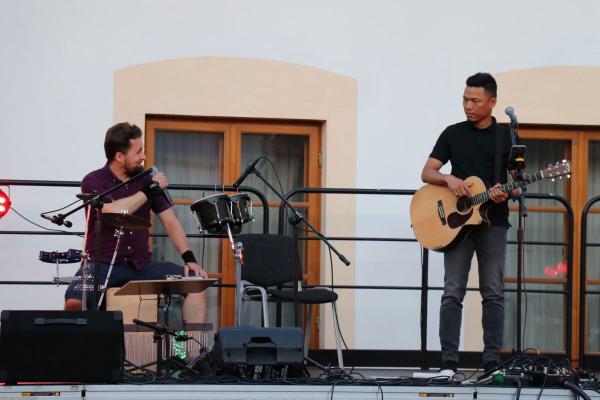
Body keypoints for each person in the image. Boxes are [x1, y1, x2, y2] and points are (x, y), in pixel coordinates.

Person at [420, 72, 520, 375]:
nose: (468, 105)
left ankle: (491, 363)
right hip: (456, 224)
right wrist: (448, 179)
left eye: (475, 101)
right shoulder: (452, 133)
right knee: (452, 292)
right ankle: (448, 364)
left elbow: (516, 185)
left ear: (492, 102)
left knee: (493, 292)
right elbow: (427, 172)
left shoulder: (507, 136)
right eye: (465, 99)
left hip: (494, 222)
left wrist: (507, 192)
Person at [64, 122, 208, 311]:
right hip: (102, 265)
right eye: (138, 152)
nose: (144, 157)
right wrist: (148, 191)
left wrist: (190, 259)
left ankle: (189, 333)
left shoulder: (146, 181)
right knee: (74, 302)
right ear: (119, 156)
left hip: (142, 266)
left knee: (196, 286)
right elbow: (112, 210)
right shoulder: (93, 180)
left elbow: (170, 221)